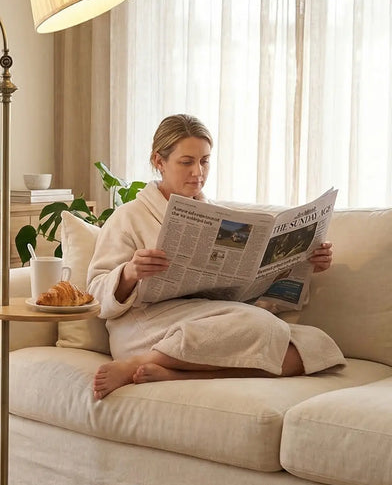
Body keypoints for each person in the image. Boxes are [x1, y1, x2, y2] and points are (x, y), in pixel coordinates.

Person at [87, 114, 344, 400]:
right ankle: (142, 361)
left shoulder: (219, 218)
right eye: (187, 162)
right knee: (262, 327)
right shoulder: (129, 216)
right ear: (159, 161)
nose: (198, 172)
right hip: (146, 326)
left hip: (212, 317)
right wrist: (129, 273)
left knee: (313, 349)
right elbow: (95, 297)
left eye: (205, 161)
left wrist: (303, 263)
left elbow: (247, 293)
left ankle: (174, 372)